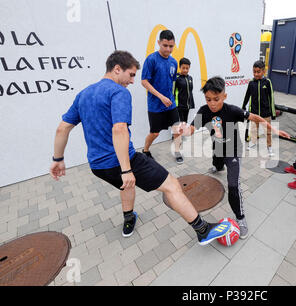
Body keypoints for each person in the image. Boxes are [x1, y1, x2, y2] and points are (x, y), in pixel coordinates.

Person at [49, 50, 231, 245]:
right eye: (131, 74)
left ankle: (129, 218)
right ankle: (202, 230)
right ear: (117, 69)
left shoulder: (83, 94)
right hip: (122, 161)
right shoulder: (118, 92)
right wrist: (126, 169)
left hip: (98, 167)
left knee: (125, 184)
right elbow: (119, 129)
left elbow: (62, 128)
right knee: (172, 186)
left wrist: (57, 159)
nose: (133, 81)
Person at [178, 76, 290, 239]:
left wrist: (274, 130)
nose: (212, 103)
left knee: (233, 185)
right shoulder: (203, 110)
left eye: (216, 99)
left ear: (224, 96)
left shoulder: (232, 110)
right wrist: (184, 131)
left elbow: (255, 118)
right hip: (217, 147)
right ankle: (218, 166)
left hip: (233, 151)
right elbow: (192, 128)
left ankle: (240, 217)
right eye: (208, 99)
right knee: (217, 162)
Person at [141, 29, 183, 164]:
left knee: (177, 129)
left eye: (171, 46)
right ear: (159, 43)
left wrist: (170, 98)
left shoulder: (174, 62)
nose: (168, 49)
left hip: (170, 104)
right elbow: (144, 81)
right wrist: (160, 97)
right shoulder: (151, 60)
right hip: (155, 105)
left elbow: (171, 82)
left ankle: (177, 151)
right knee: (155, 133)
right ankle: (145, 150)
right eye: (165, 45)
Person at [242, 60, 276, 156]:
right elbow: (247, 95)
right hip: (254, 112)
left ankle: (269, 147)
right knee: (253, 129)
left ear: (263, 71)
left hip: (266, 113)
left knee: (267, 131)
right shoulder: (251, 83)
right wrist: (243, 106)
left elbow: (272, 98)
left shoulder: (268, 82)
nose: (256, 74)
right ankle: (253, 143)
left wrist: (273, 113)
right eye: (254, 72)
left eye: (258, 72)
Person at [174, 57, 195, 123]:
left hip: (187, 105)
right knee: (180, 123)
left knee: (185, 122)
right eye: (183, 68)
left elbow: (190, 91)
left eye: (187, 68)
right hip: (179, 105)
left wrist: (190, 103)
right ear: (180, 67)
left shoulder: (190, 78)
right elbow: (172, 91)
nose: (185, 70)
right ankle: (178, 133)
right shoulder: (176, 78)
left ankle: (183, 133)